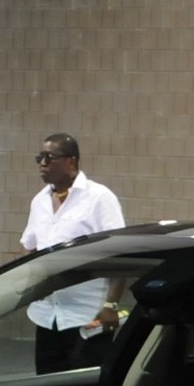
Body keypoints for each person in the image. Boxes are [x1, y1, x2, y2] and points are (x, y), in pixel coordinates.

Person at [18, 132, 125, 371]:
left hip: (87, 317)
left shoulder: (99, 198)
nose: (42, 164)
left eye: (50, 158)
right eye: (40, 158)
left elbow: (120, 254)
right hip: (46, 316)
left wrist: (112, 306)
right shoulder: (40, 201)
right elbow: (29, 247)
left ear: (72, 161)